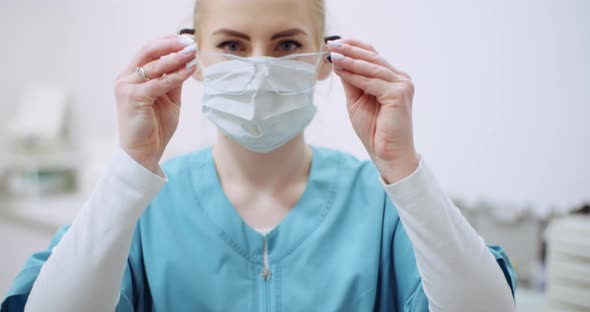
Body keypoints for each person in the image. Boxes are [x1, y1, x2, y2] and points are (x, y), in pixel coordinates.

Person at [2, 0, 517, 311]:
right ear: (194, 57)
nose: (260, 67)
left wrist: (403, 168)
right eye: (230, 45)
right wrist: (131, 167)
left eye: (288, 45)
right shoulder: (142, 208)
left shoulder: (380, 206)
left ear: (325, 60)